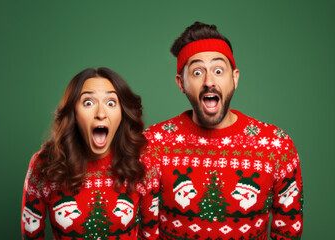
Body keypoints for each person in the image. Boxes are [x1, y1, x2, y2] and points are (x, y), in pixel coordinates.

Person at [143, 22, 303, 239]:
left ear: (234, 78)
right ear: (181, 83)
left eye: (218, 70)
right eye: (197, 72)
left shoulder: (276, 145)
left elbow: (288, 230)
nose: (209, 81)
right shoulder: (152, 144)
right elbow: (145, 230)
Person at [21, 67, 159, 239]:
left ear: (122, 113)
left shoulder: (142, 161)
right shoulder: (44, 164)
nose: (101, 114)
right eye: (88, 102)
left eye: (111, 103)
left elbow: (151, 234)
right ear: (73, 112)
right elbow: (31, 234)